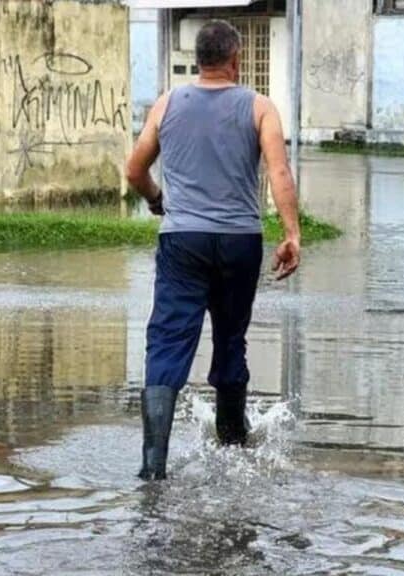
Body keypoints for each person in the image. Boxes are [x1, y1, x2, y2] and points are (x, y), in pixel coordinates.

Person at [126, 19, 301, 481]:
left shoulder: (167, 104)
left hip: (182, 241)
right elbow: (279, 172)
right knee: (230, 338)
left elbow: (134, 170)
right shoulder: (260, 107)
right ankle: (232, 447)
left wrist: (156, 199)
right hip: (241, 242)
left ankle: (152, 466)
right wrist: (291, 233)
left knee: (166, 341)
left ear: (198, 59)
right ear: (236, 60)